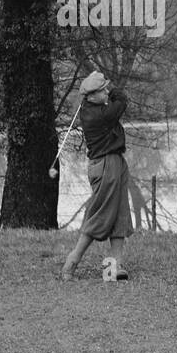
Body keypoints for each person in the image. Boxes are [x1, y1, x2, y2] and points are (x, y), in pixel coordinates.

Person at [61, 71, 132, 281]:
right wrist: (113, 90)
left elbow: (114, 103)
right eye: (102, 90)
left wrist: (104, 88)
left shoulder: (95, 108)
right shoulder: (99, 115)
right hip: (105, 166)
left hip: (115, 162)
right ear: (91, 95)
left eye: (105, 89)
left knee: (119, 214)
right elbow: (122, 101)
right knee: (100, 216)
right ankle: (71, 262)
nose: (106, 92)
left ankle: (114, 268)